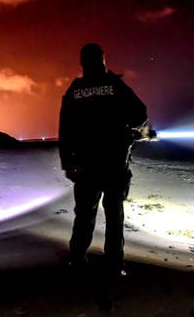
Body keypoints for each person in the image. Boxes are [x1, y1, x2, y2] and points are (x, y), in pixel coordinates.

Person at [58, 42, 152, 279]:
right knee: (114, 214)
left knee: (84, 215)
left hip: (85, 165)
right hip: (113, 164)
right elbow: (140, 112)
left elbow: (65, 129)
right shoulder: (115, 85)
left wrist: (67, 163)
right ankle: (113, 264)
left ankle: (76, 259)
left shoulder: (75, 90)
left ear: (82, 62)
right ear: (103, 59)